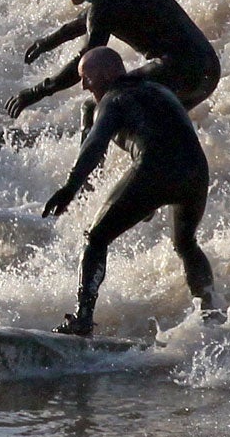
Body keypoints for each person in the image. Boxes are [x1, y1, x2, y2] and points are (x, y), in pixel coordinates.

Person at [41, 48, 216, 337]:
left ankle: (83, 320)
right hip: (196, 171)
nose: (84, 86)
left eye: (87, 78)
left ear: (109, 74)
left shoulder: (113, 99)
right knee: (186, 244)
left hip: (155, 169)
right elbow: (167, 129)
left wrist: (70, 188)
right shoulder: (159, 89)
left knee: (96, 237)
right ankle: (212, 313)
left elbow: (95, 145)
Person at [9, 0, 220, 119]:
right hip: (208, 69)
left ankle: (92, 165)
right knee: (151, 123)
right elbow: (86, 19)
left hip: (181, 71)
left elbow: (85, 64)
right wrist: (46, 43)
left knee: (98, 109)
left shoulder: (104, 5)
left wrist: (35, 93)